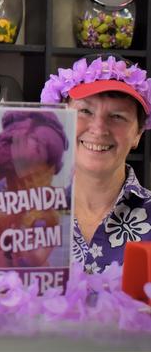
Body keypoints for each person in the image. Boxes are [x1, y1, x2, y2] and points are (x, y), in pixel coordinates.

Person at [41, 53, 151, 273]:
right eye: (85, 111)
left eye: (117, 116)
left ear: (138, 133)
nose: (99, 129)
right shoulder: (21, 213)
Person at [0, 111, 69, 269]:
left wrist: (21, 232)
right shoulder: (5, 213)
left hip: (36, 282)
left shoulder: (50, 218)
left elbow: (37, 259)